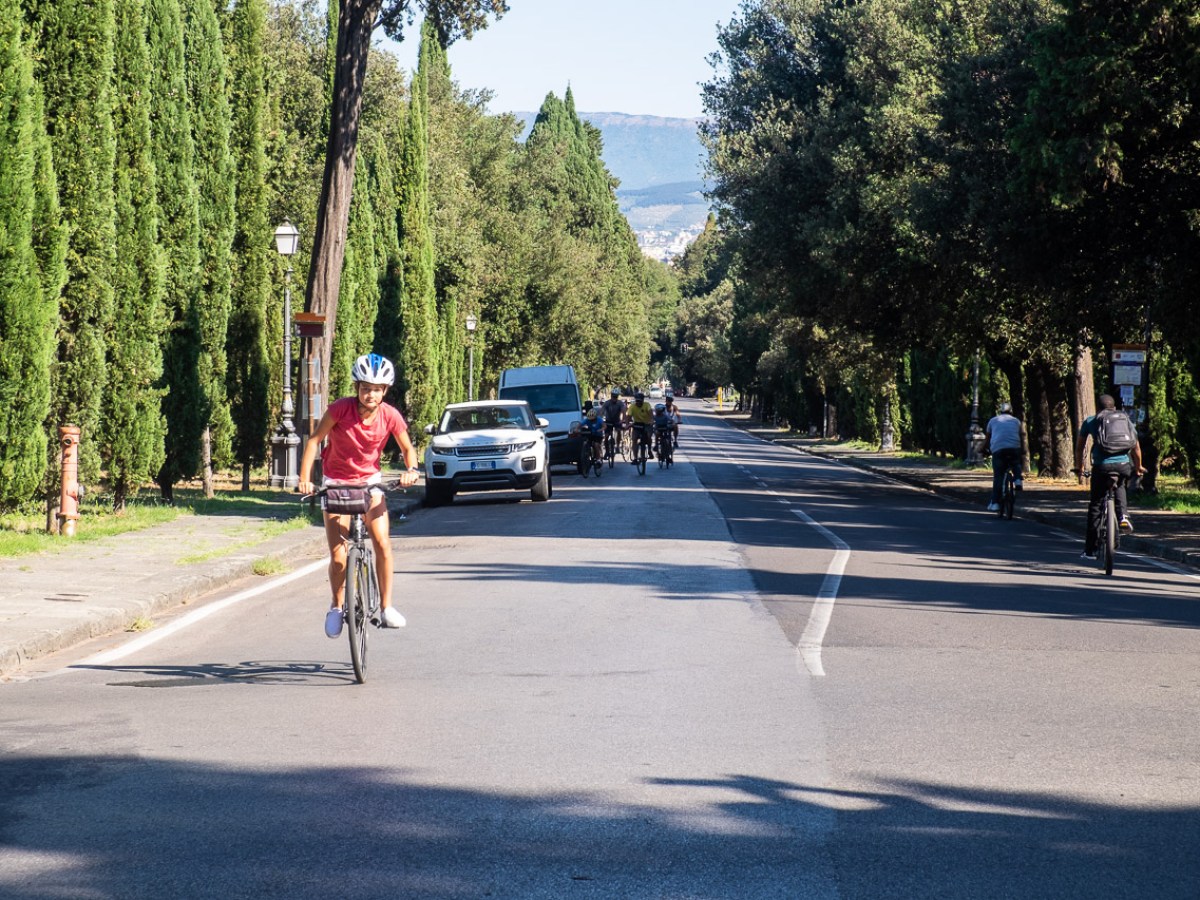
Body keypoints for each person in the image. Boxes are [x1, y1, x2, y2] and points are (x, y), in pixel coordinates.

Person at [298, 353, 420, 637]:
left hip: (369, 483)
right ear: (357, 388)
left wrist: (412, 469)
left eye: (377, 389)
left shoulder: (390, 415)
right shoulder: (340, 409)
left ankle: (387, 608)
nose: (370, 394)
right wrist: (305, 480)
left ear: (385, 391)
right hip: (336, 482)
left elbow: (406, 447)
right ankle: (337, 606)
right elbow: (315, 441)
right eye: (365, 388)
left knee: (382, 542)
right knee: (338, 556)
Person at [1074, 394, 1145, 560]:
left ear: (1098, 408)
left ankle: (1090, 550)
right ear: (1114, 407)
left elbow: (1080, 447)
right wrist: (1139, 466)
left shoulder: (1091, 421)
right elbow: (1136, 447)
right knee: (1120, 486)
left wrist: (1079, 467)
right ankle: (1124, 516)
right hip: (1123, 466)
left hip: (1101, 467)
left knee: (1096, 505)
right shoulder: (1125, 420)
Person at [983, 401, 1022, 511]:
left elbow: (987, 439)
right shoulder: (1016, 421)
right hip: (1014, 448)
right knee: (1016, 462)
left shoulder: (993, 421)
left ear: (1000, 411)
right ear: (1011, 412)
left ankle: (995, 503)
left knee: (998, 476)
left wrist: (983, 450)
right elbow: (1018, 435)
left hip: (998, 449)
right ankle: (1018, 479)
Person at [624, 390, 655, 463]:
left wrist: (652, 420)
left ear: (643, 400)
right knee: (634, 439)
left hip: (647, 424)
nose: (638, 402)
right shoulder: (632, 406)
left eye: (640, 401)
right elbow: (628, 416)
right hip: (637, 424)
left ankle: (650, 450)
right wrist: (627, 424)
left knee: (648, 436)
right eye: (637, 401)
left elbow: (651, 414)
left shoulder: (647, 405)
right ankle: (635, 458)